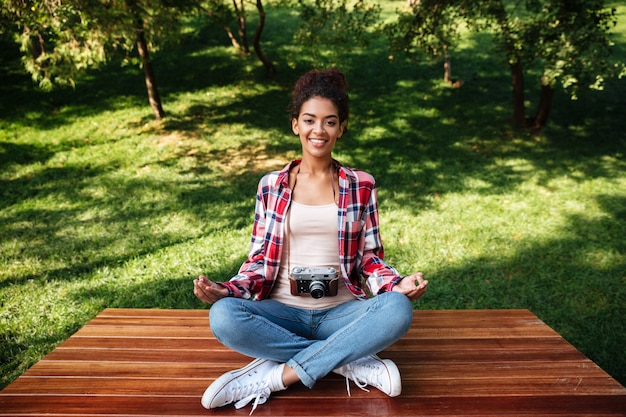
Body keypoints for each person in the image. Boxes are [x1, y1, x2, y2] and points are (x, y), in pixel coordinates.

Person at [193, 68, 428, 414]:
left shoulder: (361, 184)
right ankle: (346, 360)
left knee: (396, 309)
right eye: (309, 120)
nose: (319, 130)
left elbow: (370, 258)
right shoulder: (270, 186)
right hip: (282, 312)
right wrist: (226, 291)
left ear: (341, 128)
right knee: (223, 317)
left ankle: (274, 377)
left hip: (342, 312)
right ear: (295, 125)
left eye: (330, 122)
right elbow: (258, 260)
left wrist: (397, 284)